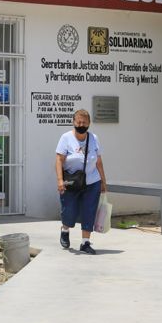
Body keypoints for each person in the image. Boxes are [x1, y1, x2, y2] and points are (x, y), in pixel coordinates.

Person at [55, 109, 107, 254]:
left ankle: (85, 242)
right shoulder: (66, 138)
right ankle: (65, 230)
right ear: (73, 122)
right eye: (78, 122)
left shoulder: (94, 138)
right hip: (71, 181)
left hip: (92, 181)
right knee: (69, 210)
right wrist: (60, 180)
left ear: (89, 123)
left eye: (84, 122)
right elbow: (59, 160)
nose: (81, 125)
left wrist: (103, 181)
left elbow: (99, 161)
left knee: (89, 211)